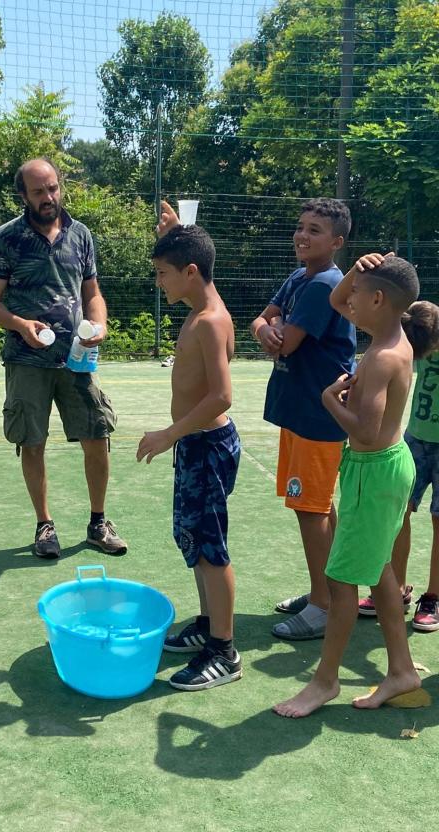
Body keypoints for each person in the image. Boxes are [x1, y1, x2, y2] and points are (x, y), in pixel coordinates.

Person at [274, 253, 439, 718]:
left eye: (360, 294)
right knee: (379, 568)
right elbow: (336, 299)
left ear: (379, 300)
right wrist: (355, 273)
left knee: (341, 578)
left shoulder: (383, 357)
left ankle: (324, 682)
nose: (350, 301)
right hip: (382, 469)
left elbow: (364, 432)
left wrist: (330, 400)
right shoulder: (389, 338)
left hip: (375, 470)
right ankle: (401, 670)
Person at [0, 157, 127, 559]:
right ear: (23, 195)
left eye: (53, 188)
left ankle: (98, 523)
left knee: (97, 435)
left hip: (78, 359)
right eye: (38, 192)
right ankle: (44, 526)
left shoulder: (81, 235)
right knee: (32, 442)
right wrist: (20, 325)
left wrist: (99, 324)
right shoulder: (7, 238)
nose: (48, 197)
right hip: (26, 360)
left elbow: (92, 293)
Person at [137, 220, 242, 691]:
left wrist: (169, 435)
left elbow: (221, 396)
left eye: (163, 273)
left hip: (206, 446)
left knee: (211, 548)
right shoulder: (201, 309)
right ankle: (207, 623)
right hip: (197, 445)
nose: (159, 282)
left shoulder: (210, 321)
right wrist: (176, 229)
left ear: (191, 271)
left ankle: (224, 651)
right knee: (196, 541)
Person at [250, 198, 357, 640]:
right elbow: (263, 320)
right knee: (316, 506)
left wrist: (271, 331)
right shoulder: (299, 276)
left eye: (315, 230)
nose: (302, 236)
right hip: (300, 414)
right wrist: (265, 328)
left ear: (337, 242)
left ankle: (324, 605)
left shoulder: (324, 284)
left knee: (310, 510)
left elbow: (286, 342)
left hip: (318, 417)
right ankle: (326, 591)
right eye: (301, 227)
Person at [358, 303, 439, 631]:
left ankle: (433, 597)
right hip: (416, 439)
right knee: (398, 513)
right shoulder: (422, 328)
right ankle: (396, 589)